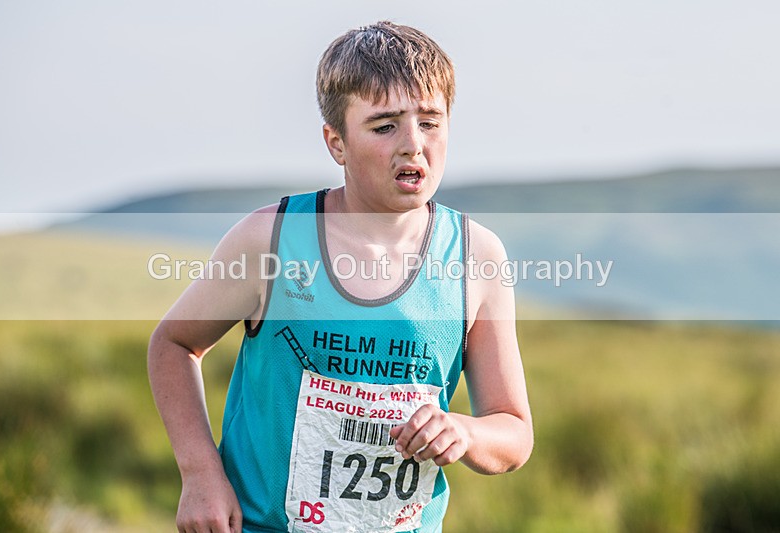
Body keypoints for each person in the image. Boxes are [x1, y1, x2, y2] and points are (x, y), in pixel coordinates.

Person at [148, 21, 533, 533]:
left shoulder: (476, 257)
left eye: (431, 121)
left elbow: (513, 432)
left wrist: (464, 432)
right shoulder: (271, 239)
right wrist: (200, 472)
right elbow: (173, 345)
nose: (413, 145)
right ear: (337, 142)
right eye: (384, 126)